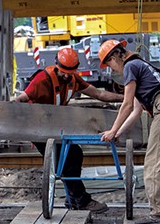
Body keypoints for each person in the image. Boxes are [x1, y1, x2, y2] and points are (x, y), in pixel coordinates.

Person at [14, 47, 124, 212]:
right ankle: (81, 200)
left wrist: (126, 97)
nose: (66, 75)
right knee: (66, 160)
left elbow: (99, 95)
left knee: (75, 154)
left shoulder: (73, 79)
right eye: (64, 72)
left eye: (70, 72)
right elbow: (22, 98)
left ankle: (72, 198)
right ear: (57, 65)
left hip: (56, 127)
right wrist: (14, 114)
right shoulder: (42, 79)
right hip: (39, 129)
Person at [99, 39, 160, 224]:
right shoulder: (143, 65)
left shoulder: (130, 66)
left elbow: (125, 104)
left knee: (155, 163)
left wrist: (112, 130)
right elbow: (135, 110)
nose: (111, 69)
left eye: (108, 64)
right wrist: (118, 132)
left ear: (114, 57)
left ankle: (158, 214)